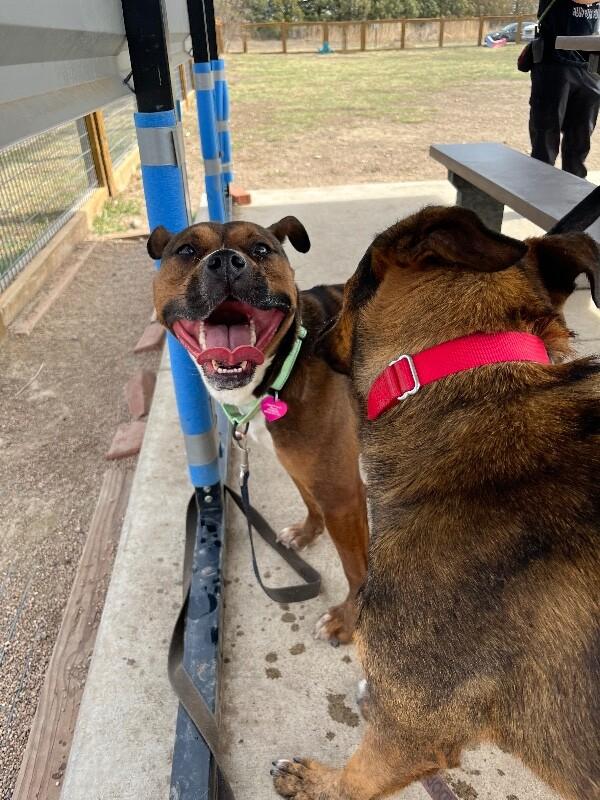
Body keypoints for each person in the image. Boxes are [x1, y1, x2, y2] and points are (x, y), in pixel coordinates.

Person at [529, 0, 600, 177]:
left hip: (589, 64)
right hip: (554, 63)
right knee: (545, 137)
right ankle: (540, 191)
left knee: (580, 137)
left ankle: (575, 191)